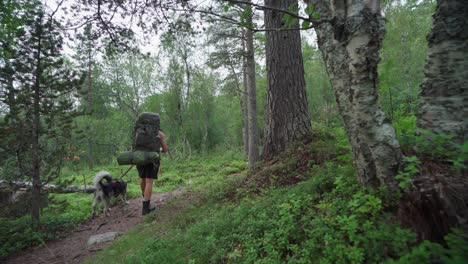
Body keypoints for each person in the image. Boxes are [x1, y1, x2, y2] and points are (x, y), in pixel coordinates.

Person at [138, 129, 169, 215]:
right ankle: (146, 208)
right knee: (149, 182)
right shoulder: (160, 133)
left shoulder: (140, 131)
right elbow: (165, 149)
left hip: (139, 157)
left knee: (143, 179)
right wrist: (160, 149)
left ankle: (145, 201)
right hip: (152, 159)